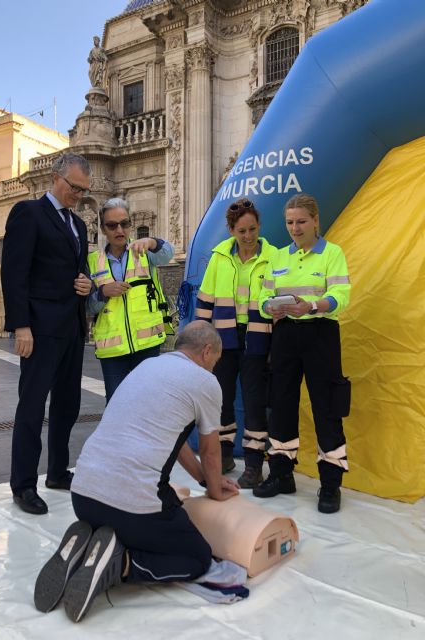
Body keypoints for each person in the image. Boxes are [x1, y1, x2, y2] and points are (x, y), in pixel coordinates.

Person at [33, 320, 240, 622]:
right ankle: (121, 564)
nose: (214, 369)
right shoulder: (205, 382)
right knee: (197, 558)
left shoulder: (147, 367)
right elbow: (210, 450)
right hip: (130, 507)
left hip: (83, 497)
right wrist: (215, 490)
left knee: (147, 515)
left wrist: (200, 479)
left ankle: (89, 546)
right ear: (207, 351)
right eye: (215, 362)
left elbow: (174, 437)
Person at [1, 153, 92, 516]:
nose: (78, 195)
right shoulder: (29, 213)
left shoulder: (79, 226)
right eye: (74, 188)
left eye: (83, 191)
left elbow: (78, 269)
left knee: (68, 404)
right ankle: (23, 483)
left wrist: (85, 283)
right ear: (56, 178)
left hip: (71, 327)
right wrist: (21, 325)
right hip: (38, 329)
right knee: (32, 405)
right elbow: (14, 272)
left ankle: (57, 471)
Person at [254, 193, 351, 514]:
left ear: (315, 221)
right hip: (285, 335)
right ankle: (282, 474)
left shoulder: (332, 253)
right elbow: (264, 295)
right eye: (290, 222)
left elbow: (341, 294)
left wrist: (312, 305)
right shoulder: (279, 258)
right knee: (280, 402)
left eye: (301, 222)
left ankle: (330, 484)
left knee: (326, 406)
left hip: (320, 333)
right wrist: (271, 307)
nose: (295, 228)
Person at [195, 198, 277, 488]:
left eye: (252, 229)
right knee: (221, 401)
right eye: (241, 231)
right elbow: (204, 303)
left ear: (259, 227)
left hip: (257, 338)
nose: (248, 236)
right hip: (223, 340)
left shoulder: (275, 258)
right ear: (231, 231)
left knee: (255, 403)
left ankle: (254, 465)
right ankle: (224, 457)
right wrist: (203, 344)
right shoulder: (219, 258)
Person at [87, 197, 174, 401]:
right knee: (116, 402)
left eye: (125, 223)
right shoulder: (92, 261)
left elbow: (167, 254)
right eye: (112, 225)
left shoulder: (143, 250)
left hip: (147, 343)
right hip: (112, 349)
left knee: (147, 401)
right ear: (102, 229)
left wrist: (153, 241)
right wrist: (103, 293)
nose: (120, 230)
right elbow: (90, 306)